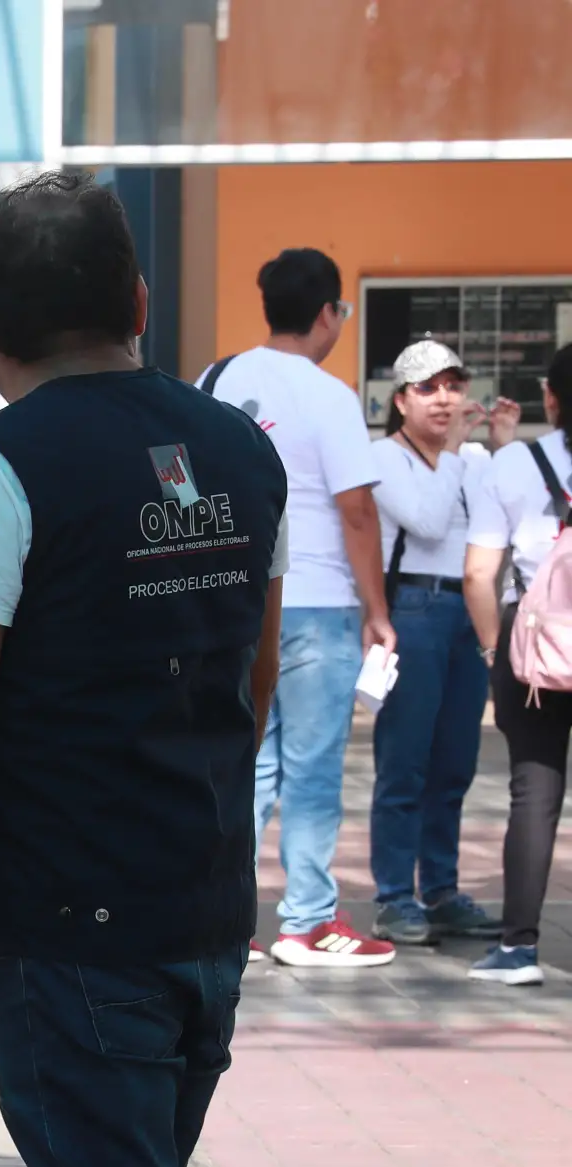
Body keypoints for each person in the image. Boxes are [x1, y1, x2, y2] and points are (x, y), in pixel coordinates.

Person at [0, 171, 287, 1167]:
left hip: (71, 928)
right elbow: (252, 673)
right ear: (142, 303)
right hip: (204, 909)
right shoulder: (242, 449)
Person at [199, 247, 398, 968]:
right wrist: (376, 609)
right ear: (328, 314)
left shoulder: (216, 379)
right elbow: (356, 513)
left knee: (244, 762)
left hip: (237, 601)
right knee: (312, 770)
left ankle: (227, 914)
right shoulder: (330, 396)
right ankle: (307, 921)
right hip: (316, 604)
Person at [367, 340, 515, 944]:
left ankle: (443, 888)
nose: (444, 398)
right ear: (400, 400)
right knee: (405, 760)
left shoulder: (476, 458)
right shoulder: (382, 457)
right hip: (413, 610)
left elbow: (505, 515)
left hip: (469, 610)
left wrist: (503, 448)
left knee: (455, 760)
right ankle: (395, 895)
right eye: (428, 387)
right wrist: (457, 451)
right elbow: (425, 521)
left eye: (453, 385)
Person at [463, 342, 572, 986]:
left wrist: (491, 648)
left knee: (534, 793)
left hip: (531, 652)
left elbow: (480, 573)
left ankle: (518, 948)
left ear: (550, 398)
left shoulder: (513, 464)